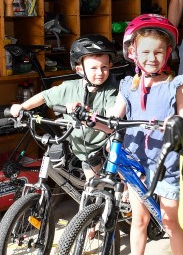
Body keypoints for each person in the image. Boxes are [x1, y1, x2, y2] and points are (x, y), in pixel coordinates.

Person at [108, 14, 183, 255]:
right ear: (132, 53)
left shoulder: (175, 84)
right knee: (140, 220)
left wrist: (176, 124)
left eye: (158, 51)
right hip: (137, 164)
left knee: (171, 222)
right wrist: (89, 116)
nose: (152, 58)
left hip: (167, 163)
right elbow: (114, 118)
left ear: (168, 53)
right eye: (145, 52)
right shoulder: (126, 86)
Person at [9, 35, 117, 178]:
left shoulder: (111, 91)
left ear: (110, 65)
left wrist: (87, 118)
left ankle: (127, 193)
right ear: (79, 69)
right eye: (93, 68)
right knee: (92, 186)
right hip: (80, 147)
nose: (100, 73)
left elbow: (112, 125)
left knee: (102, 185)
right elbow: (44, 96)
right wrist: (22, 107)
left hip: (103, 146)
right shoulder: (69, 88)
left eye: (104, 67)